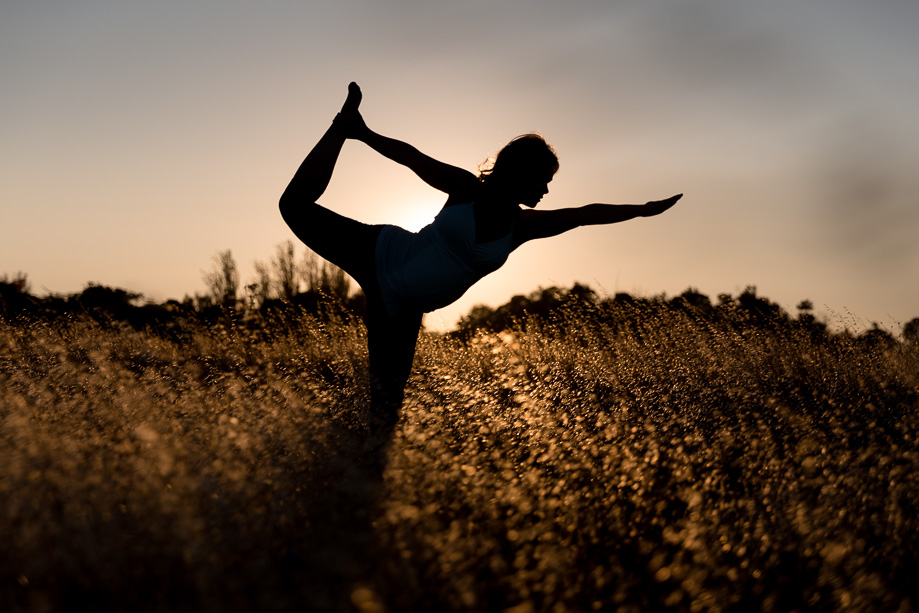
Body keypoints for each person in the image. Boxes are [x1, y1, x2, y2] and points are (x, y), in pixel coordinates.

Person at [280, 82, 681, 432]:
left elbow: (583, 215)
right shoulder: (465, 188)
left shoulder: (522, 227)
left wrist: (642, 209)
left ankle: (355, 482)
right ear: (517, 170)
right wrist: (363, 134)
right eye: (541, 179)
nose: (545, 189)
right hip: (380, 252)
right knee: (294, 205)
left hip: (400, 310)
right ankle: (341, 127)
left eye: (549, 182)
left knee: (384, 412)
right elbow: (411, 157)